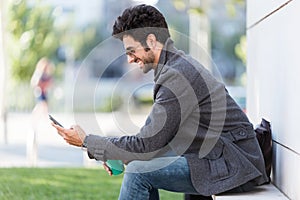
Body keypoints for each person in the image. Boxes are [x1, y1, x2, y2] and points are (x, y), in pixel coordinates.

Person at [51, 4, 268, 200]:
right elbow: (151, 141)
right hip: (224, 158)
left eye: (131, 51)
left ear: (152, 41)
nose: (129, 59)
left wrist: (88, 142)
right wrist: (113, 153)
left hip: (235, 166)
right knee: (138, 165)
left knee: (138, 174)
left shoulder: (177, 75)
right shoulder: (174, 68)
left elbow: (146, 144)